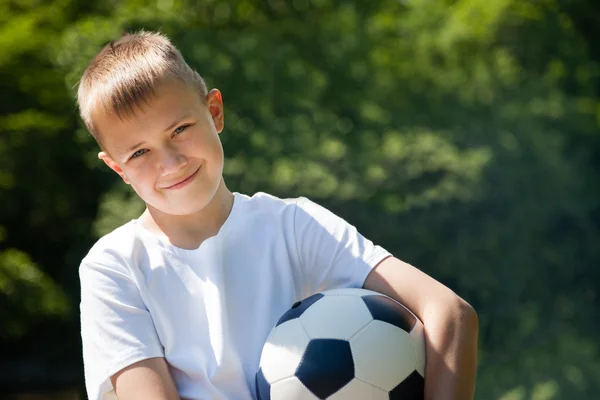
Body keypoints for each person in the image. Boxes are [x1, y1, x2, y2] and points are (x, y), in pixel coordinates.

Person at [77, 30, 478, 400]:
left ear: (214, 111)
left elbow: (450, 313)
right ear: (118, 169)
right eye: (140, 152)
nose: (171, 162)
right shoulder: (113, 269)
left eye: (180, 129)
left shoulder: (293, 226)